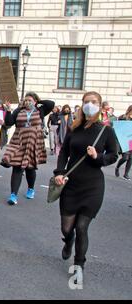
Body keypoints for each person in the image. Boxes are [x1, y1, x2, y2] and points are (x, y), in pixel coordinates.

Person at [54, 91, 118, 285]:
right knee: (67, 228)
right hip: (71, 184)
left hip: (93, 187)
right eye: (87, 102)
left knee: (82, 227)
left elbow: (113, 155)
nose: (90, 105)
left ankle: (78, 267)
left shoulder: (106, 130)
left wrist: (97, 157)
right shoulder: (74, 128)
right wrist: (59, 172)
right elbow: (64, 151)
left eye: (94, 102)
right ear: (82, 105)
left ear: (100, 106)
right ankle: (68, 240)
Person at [2, 92, 55, 205]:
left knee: (30, 168)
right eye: (26, 100)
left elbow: (51, 104)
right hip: (19, 141)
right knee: (17, 168)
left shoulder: (40, 110)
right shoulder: (19, 110)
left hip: (33, 142)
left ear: (35, 102)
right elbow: (9, 122)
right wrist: (8, 110)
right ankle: (13, 195)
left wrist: (38, 102)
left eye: (30, 100)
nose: (27, 102)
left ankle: (31, 189)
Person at [115, 105, 132, 180]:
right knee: (125, 158)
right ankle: (117, 167)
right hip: (125, 140)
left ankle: (126, 174)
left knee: (131, 158)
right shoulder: (123, 117)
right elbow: (118, 128)